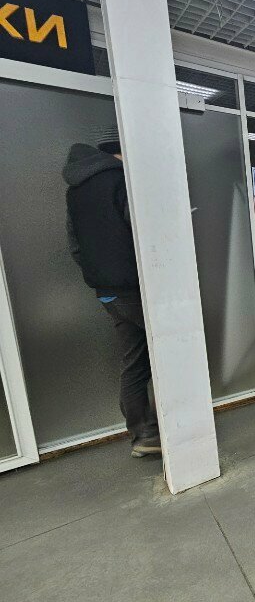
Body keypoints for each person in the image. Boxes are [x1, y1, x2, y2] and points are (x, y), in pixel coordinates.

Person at [63, 127, 160, 458]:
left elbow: (76, 247)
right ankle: (181, 429)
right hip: (134, 287)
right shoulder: (121, 181)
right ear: (123, 151)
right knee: (170, 350)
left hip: (107, 293)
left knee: (134, 361)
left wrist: (100, 277)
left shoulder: (75, 191)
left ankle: (143, 435)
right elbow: (143, 233)